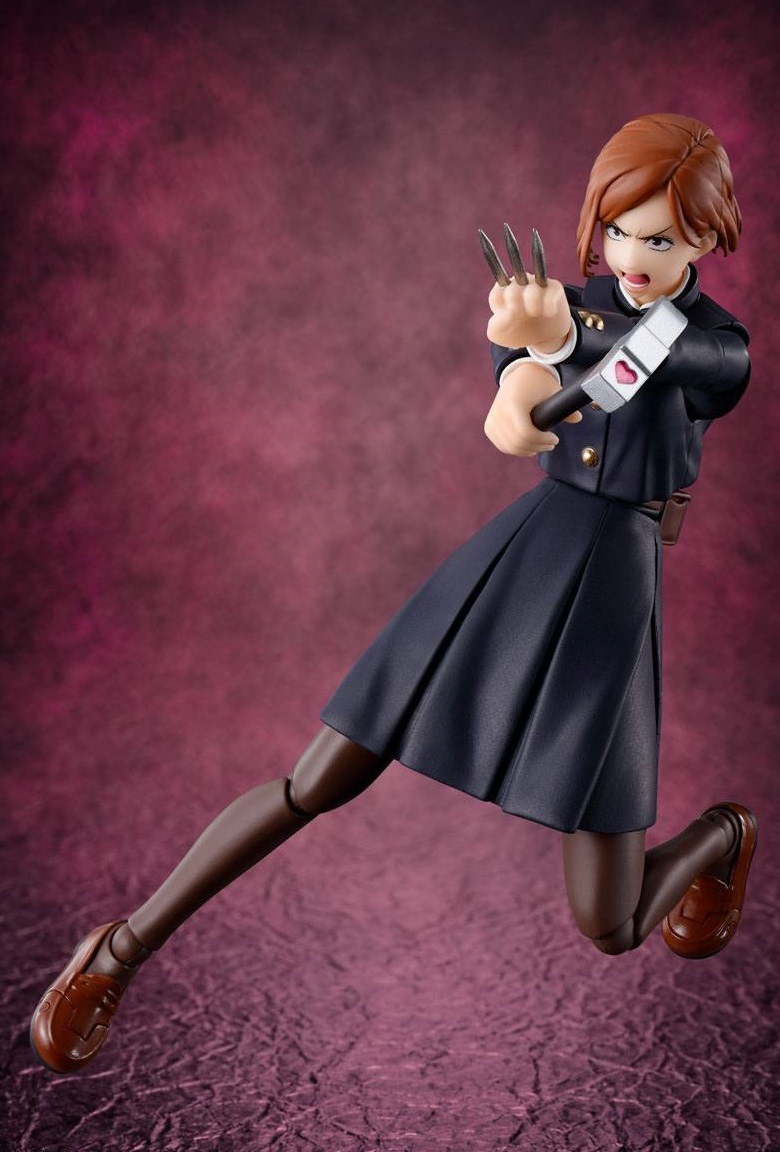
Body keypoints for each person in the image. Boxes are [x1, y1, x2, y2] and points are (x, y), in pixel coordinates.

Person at [30, 113, 757, 1075]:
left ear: (705, 237)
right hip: (523, 558)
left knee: (610, 925)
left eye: (658, 240)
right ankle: (119, 950)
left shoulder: (717, 344)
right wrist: (522, 373)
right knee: (317, 780)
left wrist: (565, 335)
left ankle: (722, 836)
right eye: (617, 230)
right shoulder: (563, 304)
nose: (629, 256)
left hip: (614, 599)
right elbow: (519, 400)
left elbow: (657, 358)